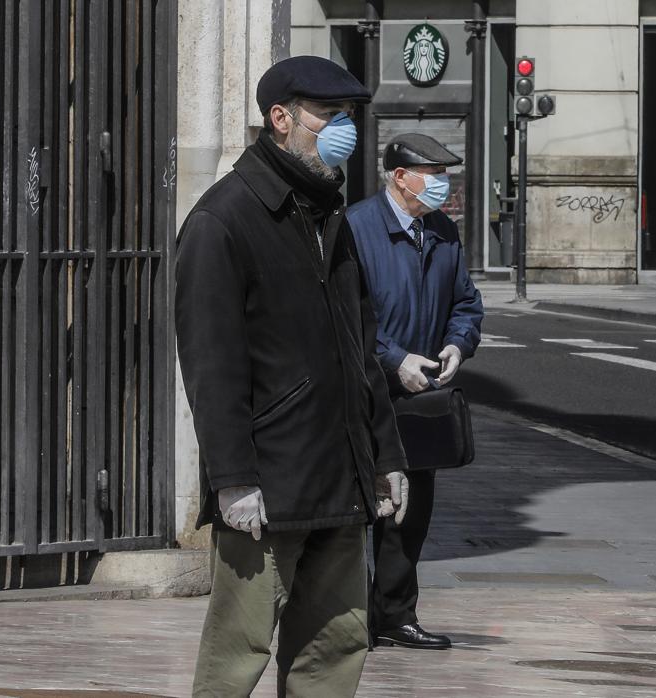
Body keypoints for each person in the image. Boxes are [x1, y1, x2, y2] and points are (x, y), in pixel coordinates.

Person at [175, 55, 409, 697]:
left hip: (342, 476)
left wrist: (386, 454)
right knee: (238, 649)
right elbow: (211, 364)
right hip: (269, 486)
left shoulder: (329, 214)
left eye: (348, 118)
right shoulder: (222, 221)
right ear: (280, 119)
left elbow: (361, 352)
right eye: (328, 116)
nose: (343, 131)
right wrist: (232, 479)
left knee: (338, 645)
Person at [346, 133, 484, 650]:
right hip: (364, 394)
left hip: (419, 400)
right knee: (359, 510)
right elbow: (345, 318)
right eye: (433, 172)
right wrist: (394, 359)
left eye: (445, 172)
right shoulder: (357, 228)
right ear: (400, 176)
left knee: (410, 515)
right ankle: (348, 619)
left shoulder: (443, 231)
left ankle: (395, 615)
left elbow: (466, 303)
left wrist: (456, 345)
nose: (443, 182)